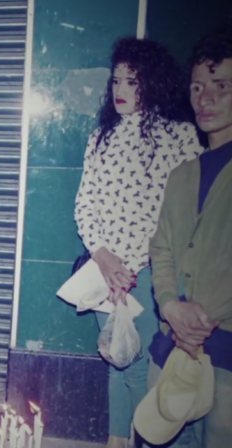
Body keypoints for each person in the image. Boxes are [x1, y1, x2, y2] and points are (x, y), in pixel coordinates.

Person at [73, 37, 205, 448]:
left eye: (132, 81)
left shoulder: (181, 137)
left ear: (153, 83)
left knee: (144, 366)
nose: (121, 91)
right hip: (103, 271)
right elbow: (84, 205)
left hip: (150, 274)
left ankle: (139, 439)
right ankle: (117, 441)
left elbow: (185, 214)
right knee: (116, 359)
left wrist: (135, 268)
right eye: (116, 82)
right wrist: (104, 258)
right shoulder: (100, 138)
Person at [147, 27, 232, 448]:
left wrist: (199, 322)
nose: (206, 99)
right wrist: (169, 306)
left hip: (226, 356)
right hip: (169, 348)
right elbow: (161, 246)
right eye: (198, 87)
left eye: (222, 86)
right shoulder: (182, 174)